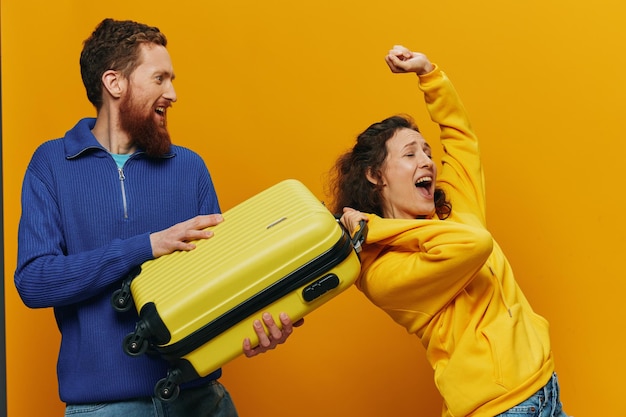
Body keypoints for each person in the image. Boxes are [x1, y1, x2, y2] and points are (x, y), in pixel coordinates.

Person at [14, 18, 302, 417]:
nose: (173, 93)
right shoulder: (52, 164)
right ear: (115, 84)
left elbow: (224, 279)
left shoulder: (189, 167)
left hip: (203, 402)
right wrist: (146, 247)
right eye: (160, 79)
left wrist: (255, 326)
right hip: (104, 408)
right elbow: (34, 281)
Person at [331, 45, 569, 417]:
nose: (427, 160)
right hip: (500, 410)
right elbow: (473, 245)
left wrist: (429, 76)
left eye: (427, 152)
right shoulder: (381, 273)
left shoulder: (454, 205)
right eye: (410, 154)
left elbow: (461, 139)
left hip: (544, 385)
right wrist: (376, 230)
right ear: (376, 176)